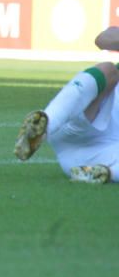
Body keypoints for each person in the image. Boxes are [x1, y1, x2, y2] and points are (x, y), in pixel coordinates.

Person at [14, 27, 119, 184]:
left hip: (100, 155)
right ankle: (44, 126)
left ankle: (103, 173)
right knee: (107, 69)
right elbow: (103, 39)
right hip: (81, 123)